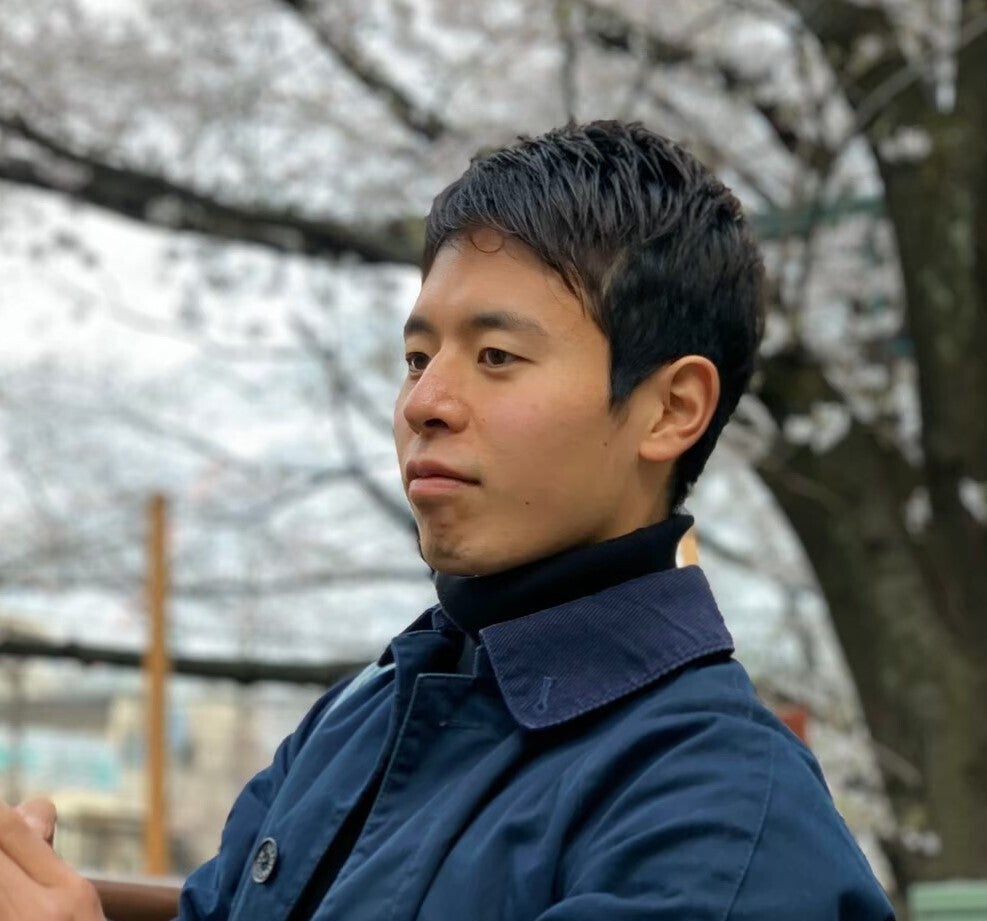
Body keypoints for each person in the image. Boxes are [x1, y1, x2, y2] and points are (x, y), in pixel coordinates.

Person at [0, 120, 896, 920]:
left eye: (496, 356)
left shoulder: (720, 810)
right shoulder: (360, 716)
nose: (424, 401)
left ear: (671, 409)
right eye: (417, 356)